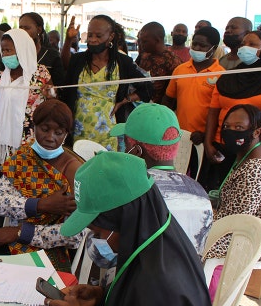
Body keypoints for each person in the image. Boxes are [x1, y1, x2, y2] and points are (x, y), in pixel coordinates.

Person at [53, 151, 211, 306]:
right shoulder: (157, 239)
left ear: (125, 221)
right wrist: (103, 296)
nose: (97, 240)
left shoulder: (159, 286)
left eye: (98, 233)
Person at [0, 100, 82, 272]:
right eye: (45, 129)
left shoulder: (73, 170)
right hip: (11, 247)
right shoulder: (23, 159)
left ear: (66, 134)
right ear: (34, 127)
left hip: (51, 253)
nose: (50, 137)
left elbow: (75, 234)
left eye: (58, 132)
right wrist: (40, 205)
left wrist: (20, 232)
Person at [204, 105, 261, 295]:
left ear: (256, 131)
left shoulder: (255, 169)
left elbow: (236, 221)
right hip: (248, 227)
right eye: (227, 127)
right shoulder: (254, 152)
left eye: (239, 128)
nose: (231, 132)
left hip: (251, 239)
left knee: (185, 241)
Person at [109, 103, 213, 255]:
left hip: (137, 278)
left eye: (125, 143)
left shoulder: (130, 191)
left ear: (136, 151)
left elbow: (103, 257)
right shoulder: (200, 193)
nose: (123, 150)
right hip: (188, 278)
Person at [204, 30, 261, 191]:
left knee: (249, 191)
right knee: (224, 190)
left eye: (252, 45)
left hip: (259, 148)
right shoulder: (228, 76)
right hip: (224, 145)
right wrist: (208, 142)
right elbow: (213, 112)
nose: (246, 48)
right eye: (244, 44)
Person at [62, 15, 152, 151]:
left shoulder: (123, 62)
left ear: (110, 36)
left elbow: (147, 87)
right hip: (77, 130)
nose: (92, 40)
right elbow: (65, 64)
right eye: (90, 35)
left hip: (108, 133)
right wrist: (68, 40)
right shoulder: (79, 60)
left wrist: (125, 100)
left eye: (98, 36)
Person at [162, 26, 224, 179]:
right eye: (194, 44)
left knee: (198, 180)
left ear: (213, 48)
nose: (196, 48)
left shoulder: (221, 74)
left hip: (203, 140)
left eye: (202, 46)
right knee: (176, 177)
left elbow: (221, 111)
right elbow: (168, 101)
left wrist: (205, 135)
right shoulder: (180, 70)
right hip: (179, 137)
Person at [0, 28, 53, 164]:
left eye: (9, 50)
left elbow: (54, 100)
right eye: (3, 51)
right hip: (6, 141)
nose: (5, 55)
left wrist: (50, 93)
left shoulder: (40, 73)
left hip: (34, 138)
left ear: (22, 49)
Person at [137, 21, 182, 104]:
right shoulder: (144, 54)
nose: (141, 44)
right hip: (137, 104)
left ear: (157, 40)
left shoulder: (173, 62)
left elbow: (173, 94)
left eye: (144, 41)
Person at [19, 13, 65, 92]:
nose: (23, 32)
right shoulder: (16, 54)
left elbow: (60, 87)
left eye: (27, 28)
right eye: (20, 28)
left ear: (39, 30)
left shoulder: (52, 55)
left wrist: (51, 92)